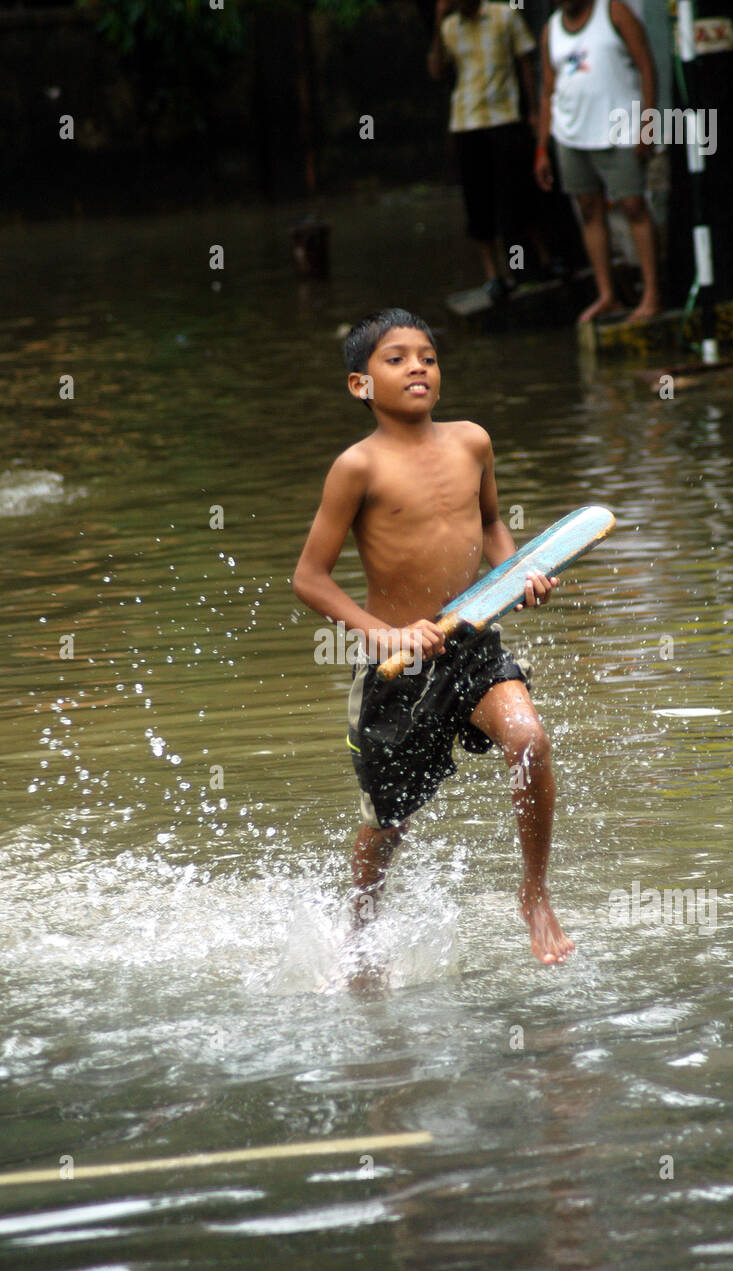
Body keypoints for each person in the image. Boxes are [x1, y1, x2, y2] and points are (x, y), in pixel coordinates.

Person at [292, 308, 573, 969]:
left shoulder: (473, 441)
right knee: (389, 823)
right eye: (396, 358)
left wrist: (518, 575)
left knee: (529, 740)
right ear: (361, 385)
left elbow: (494, 523)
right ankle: (359, 939)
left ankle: (533, 895)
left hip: (475, 644)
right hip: (400, 670)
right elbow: (310, 578)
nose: (418, 366)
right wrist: (387, 637)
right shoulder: (356, 468)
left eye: (428, 356)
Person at [535, 0, 661, 323]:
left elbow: (646, 65)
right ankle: (607, 295)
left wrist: (648, 122)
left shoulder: (613, 11)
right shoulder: (551, 30)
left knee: (633, 206)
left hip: (620, 127)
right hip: (571, 133)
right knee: (589, 211)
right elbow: (547, 91)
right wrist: (542, 148)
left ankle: (652, 294)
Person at [428, 0, 552, 301]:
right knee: (478, 203)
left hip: (505, 117)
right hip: (466, 122)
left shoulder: (504, 14)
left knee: (519, 195)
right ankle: (494, 275)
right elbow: (436, 70)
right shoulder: (449, 27)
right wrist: (438, 21)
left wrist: (533, 113)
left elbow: (525, 65)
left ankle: (536, 264)